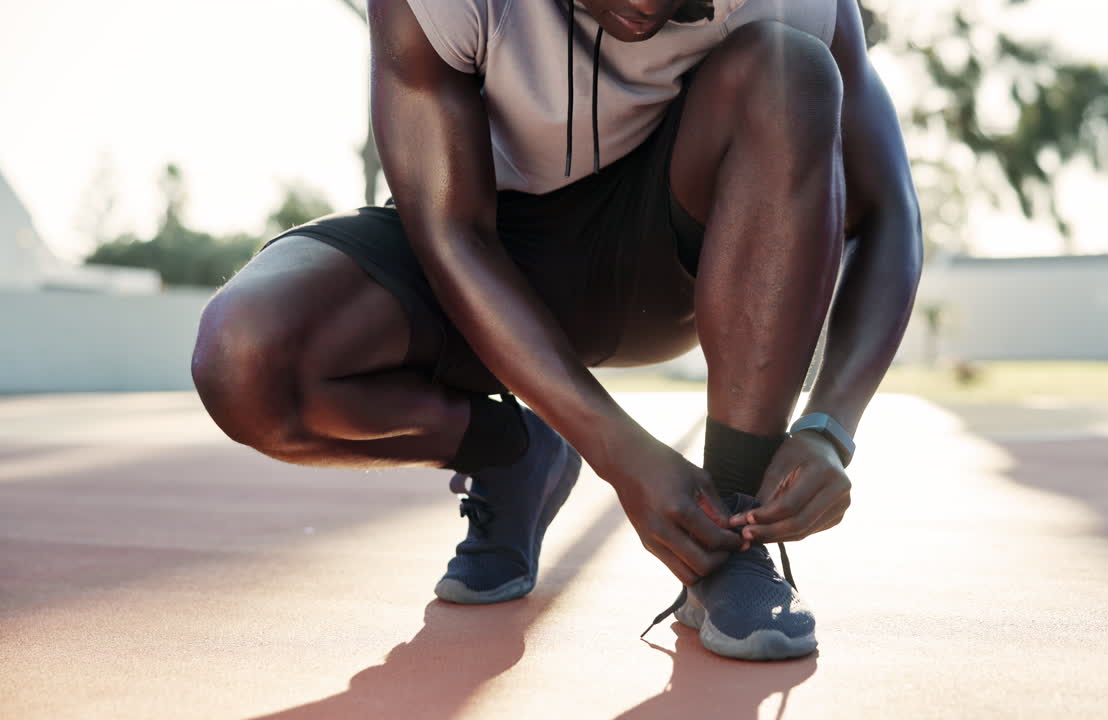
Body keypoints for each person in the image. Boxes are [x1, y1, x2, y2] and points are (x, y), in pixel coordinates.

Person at [191, 0, 921, 661]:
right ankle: (514, 455)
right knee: (246, 359)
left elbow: (889, 212)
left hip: (662, 265)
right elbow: (451, 234)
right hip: (479, 254)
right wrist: (618, 452)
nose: (644, 4)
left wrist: (829, 427)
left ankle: (728, 532)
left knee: (791, 70)